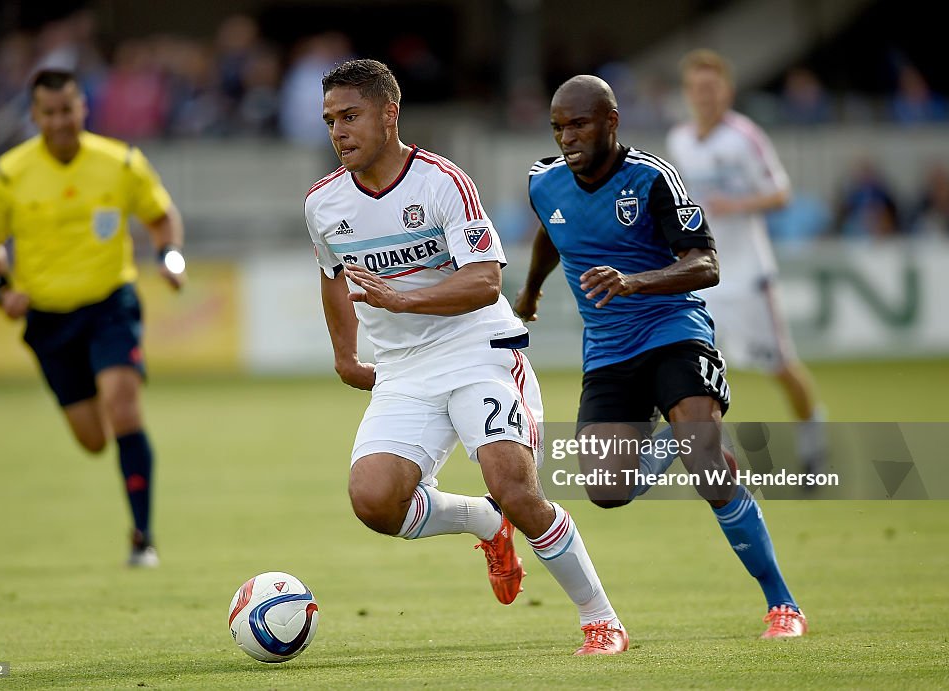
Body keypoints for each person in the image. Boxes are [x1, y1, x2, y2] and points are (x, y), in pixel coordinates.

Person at [304, 59, 627, 656]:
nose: (338, 131)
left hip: (477, 349)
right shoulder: (323, 204)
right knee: (374, 501)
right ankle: (483, 522)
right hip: (404, 370)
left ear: (388, 113)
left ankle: (600, 619)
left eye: (350, 116)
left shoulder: (440, 181)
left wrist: (402, 298)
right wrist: (345, 354)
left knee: (515, 487)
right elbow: (333, 278)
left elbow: (484, 281)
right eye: (330, 121)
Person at [514, 73, 807, 639]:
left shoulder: (652, 179)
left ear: (611, 122)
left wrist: (634, 281)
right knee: (605, 490)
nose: (567, 138)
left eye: (579, 124)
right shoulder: (544, 182)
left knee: (708, 468)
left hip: (673, 329)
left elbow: (706, 264)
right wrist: (530, 291)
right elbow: (553, 230)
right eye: (558, 127)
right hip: (606, 351)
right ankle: (678, 436)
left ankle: (783, 604)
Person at [0, 69, 187, 568]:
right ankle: (123, 471)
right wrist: (0, 288)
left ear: (82, 109)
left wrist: (170, 256)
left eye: (68, 110)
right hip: (48, 321)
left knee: (124, 406)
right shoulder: (6, 176)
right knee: (93, 439)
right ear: (35, 115)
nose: (60, 121)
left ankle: (142, 538)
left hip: (111, 304)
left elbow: (160, 215)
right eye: (49, 113)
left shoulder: (120, 162)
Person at [665, 49, 826, 473]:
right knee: (696, 369)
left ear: (727, 90)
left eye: (712, 87)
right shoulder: (679, 140)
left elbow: (781, 193)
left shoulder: (745, 137)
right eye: (698, 88)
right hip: (704, 278)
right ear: (688, 93)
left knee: (779, 365)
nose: (705, 96)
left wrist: (735, 204)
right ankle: (715, 456)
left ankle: (813, 437)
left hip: (749, 276)